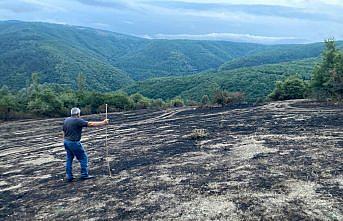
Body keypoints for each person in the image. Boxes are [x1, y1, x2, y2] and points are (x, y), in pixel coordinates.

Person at [63, 107, 109, 182]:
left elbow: (63, 131)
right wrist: (103, 123)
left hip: (66, 141)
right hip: (74, 142)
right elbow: (90, 124)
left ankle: (69, 176)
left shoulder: (66, 120)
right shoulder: (77, 120)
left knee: (69, 158)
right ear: (78, 114)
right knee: (83, 158)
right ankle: (84, 175)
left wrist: (65, 140)